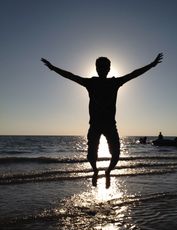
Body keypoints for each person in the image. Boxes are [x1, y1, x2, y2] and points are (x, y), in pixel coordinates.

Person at [41, 53, 163, 183]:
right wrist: (53, 68)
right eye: (100, 67)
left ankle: (108, 171)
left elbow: (133, 74)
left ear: (109, 69)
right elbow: (71, 76)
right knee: (91, 155)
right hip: (95, 125)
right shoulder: (91, 83)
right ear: (96, 69)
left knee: (116, 155)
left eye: (105, 67)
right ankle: (95, 170)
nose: (103, 69)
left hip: (110, 125)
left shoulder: (114, 82)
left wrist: (152, 65)